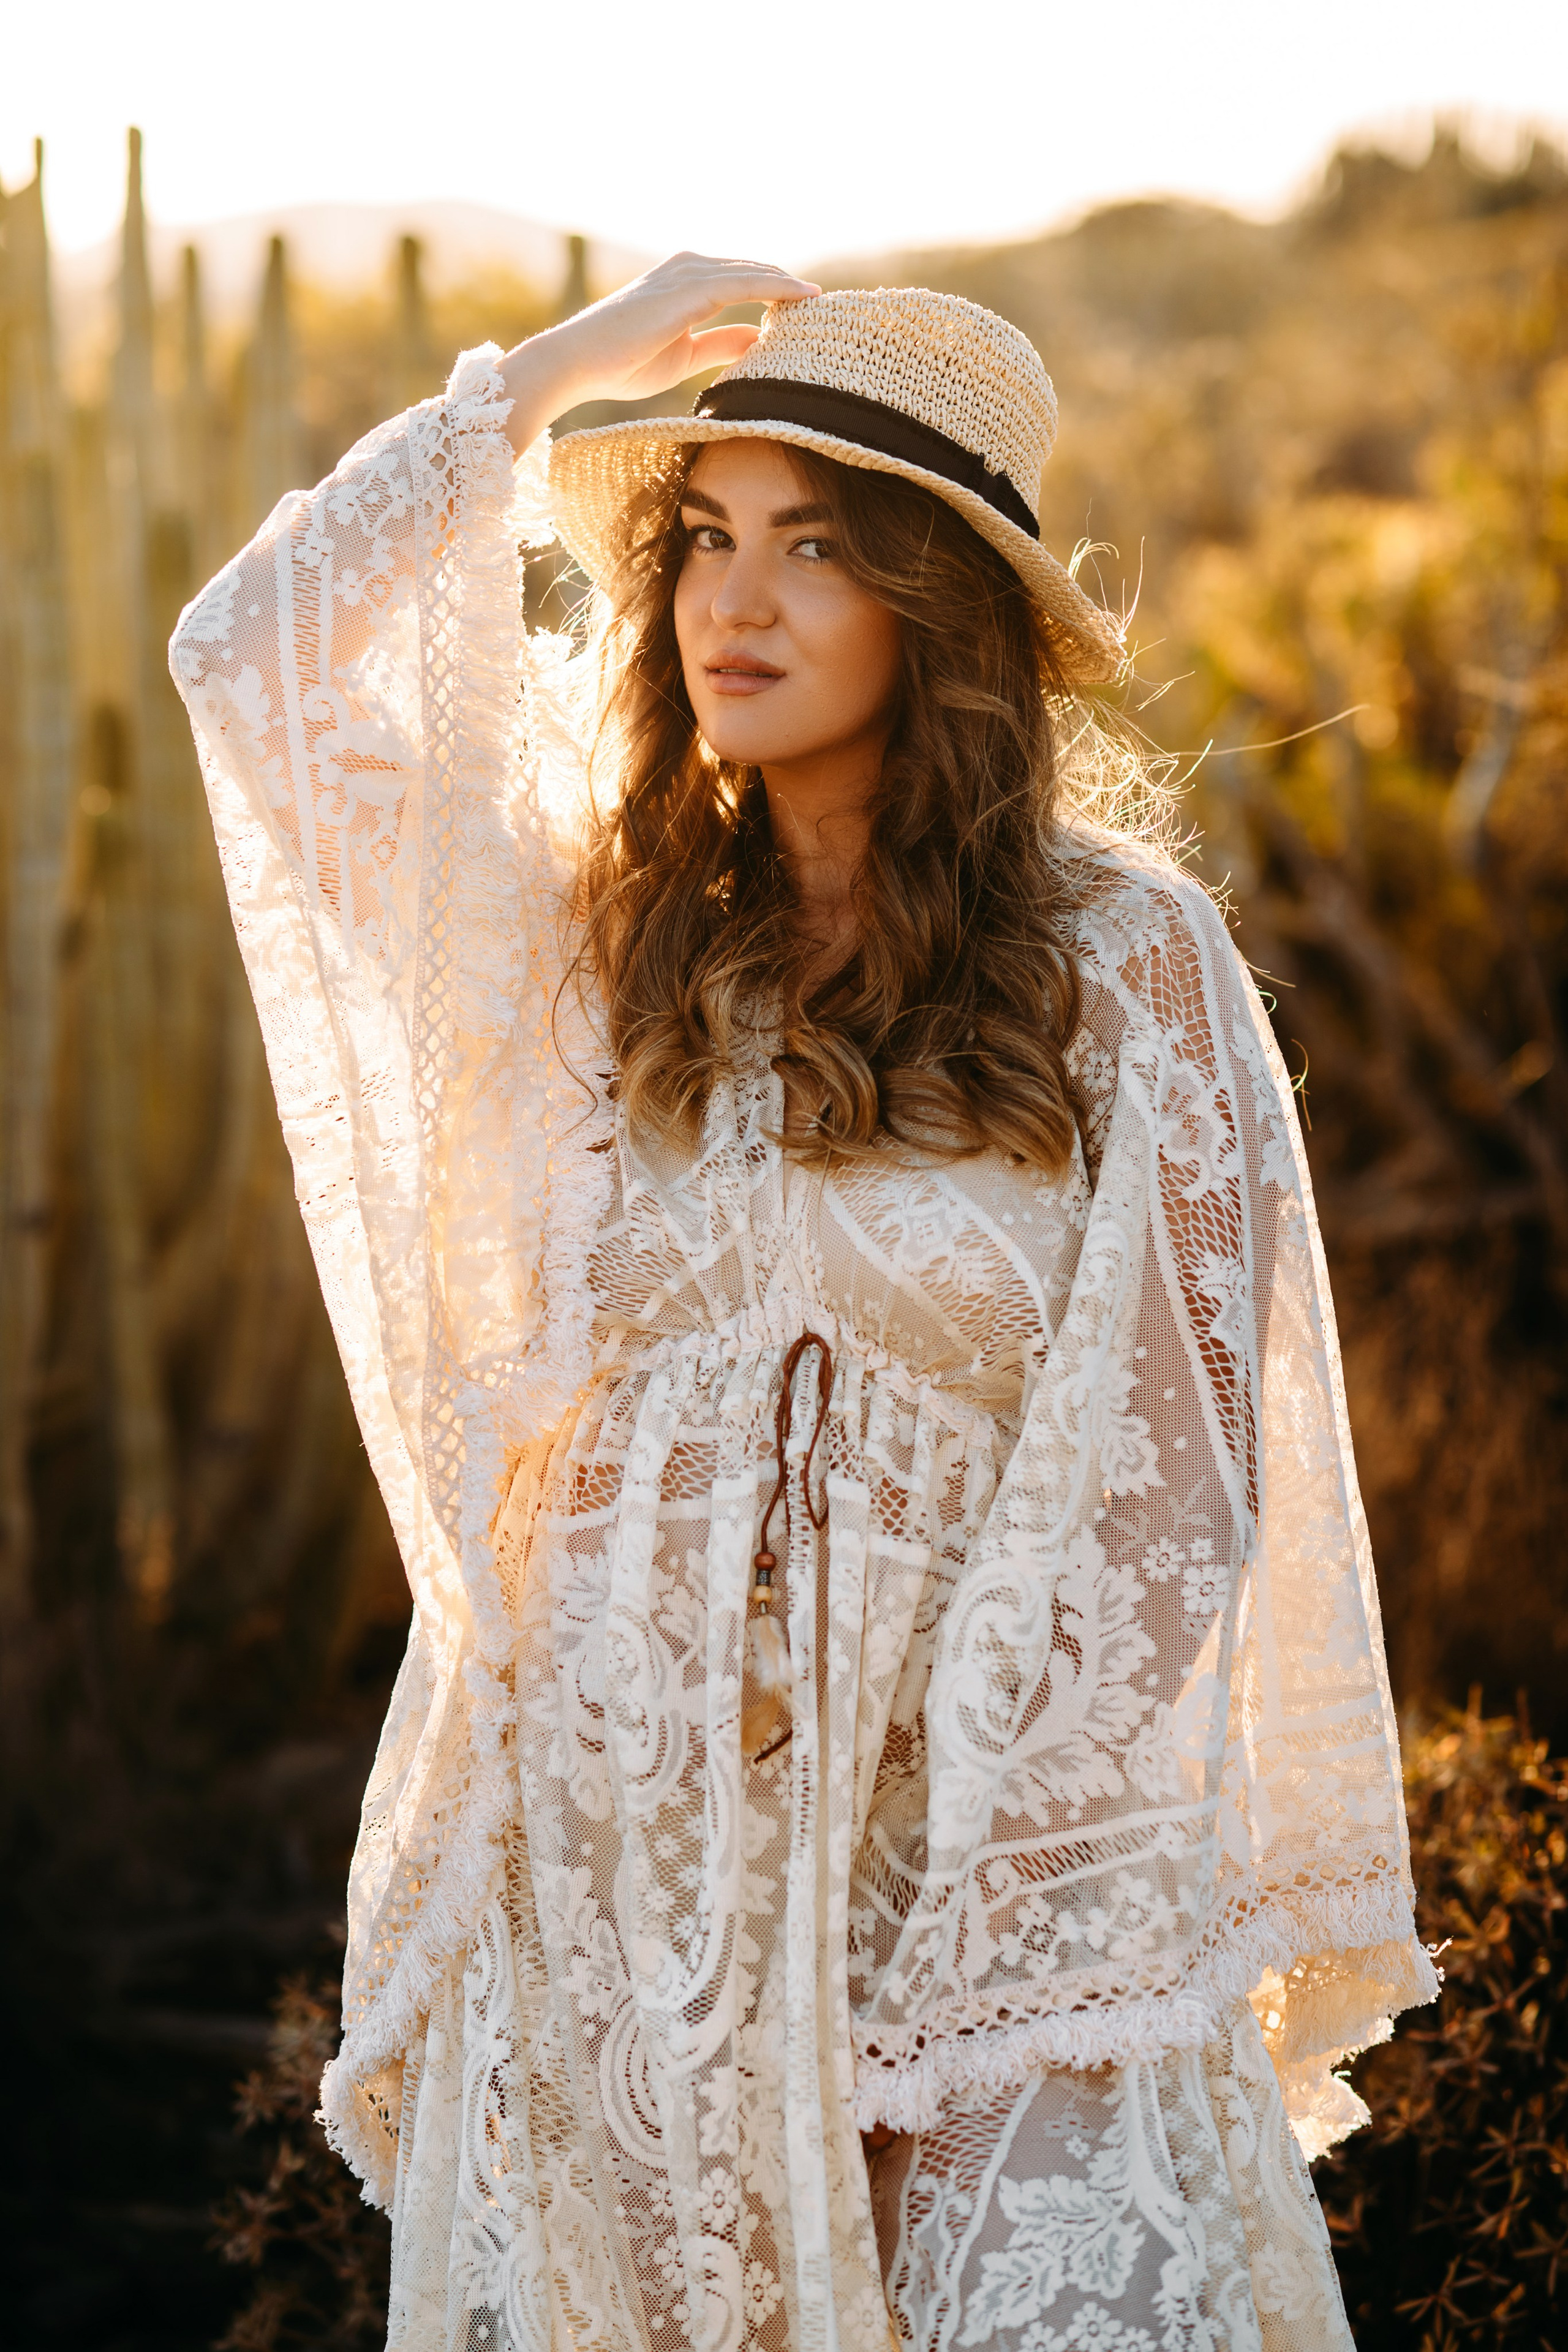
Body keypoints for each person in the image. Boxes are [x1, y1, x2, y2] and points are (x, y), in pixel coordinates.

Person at [171, 254, 1436, 2352]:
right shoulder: (600, 941)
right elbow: (258, 663)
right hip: (606, 1913)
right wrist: (559, 380)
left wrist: (934, 1969)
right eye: (701, 542)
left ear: (937, 611)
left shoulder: (1124, 967)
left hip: (993, 1912)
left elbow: (1173, 1485)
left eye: (818, 548)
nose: (732, 606)